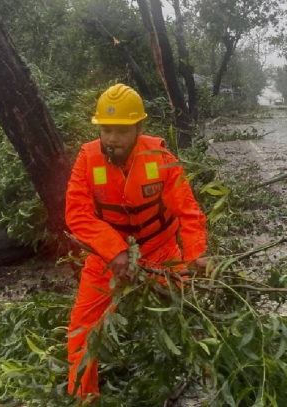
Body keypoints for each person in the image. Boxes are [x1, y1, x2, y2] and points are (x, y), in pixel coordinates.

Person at [64, 84, 208, 399]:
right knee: (81, 331)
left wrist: (195, 254)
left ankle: (207, 377)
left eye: (121, 130)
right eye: (106, 129)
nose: (112, 138)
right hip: (106, 258)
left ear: (139, 128)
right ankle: (84, 397)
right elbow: (77, 215)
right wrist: (114, 251)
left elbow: (188, 212)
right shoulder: (88, 160)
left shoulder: (160, 158)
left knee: (191, 313)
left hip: (160, 253)